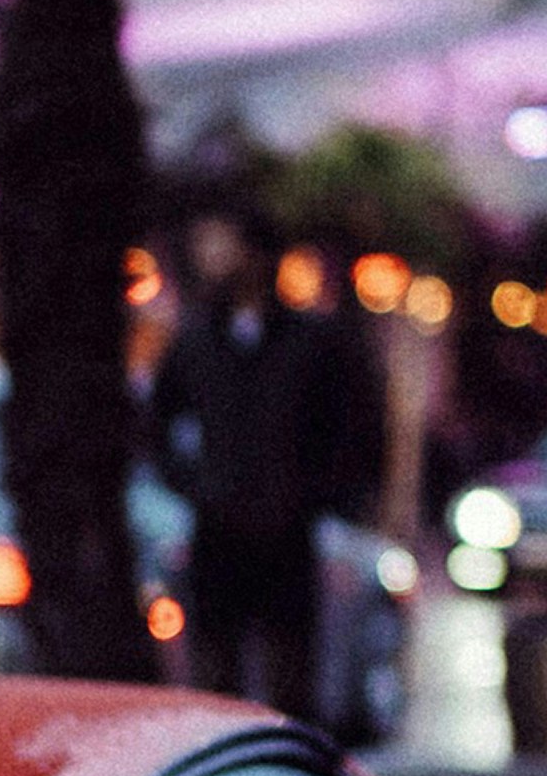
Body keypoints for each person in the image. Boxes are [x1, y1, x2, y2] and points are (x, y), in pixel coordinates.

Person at [150, 210, 382, 715]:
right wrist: (198, 486)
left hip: (286, 537)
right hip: (218, 534)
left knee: (291, 679)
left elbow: (353, 431)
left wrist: (312, 495)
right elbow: (155, 425)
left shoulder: (310, 343)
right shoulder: (198, 340)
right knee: (216, 686)